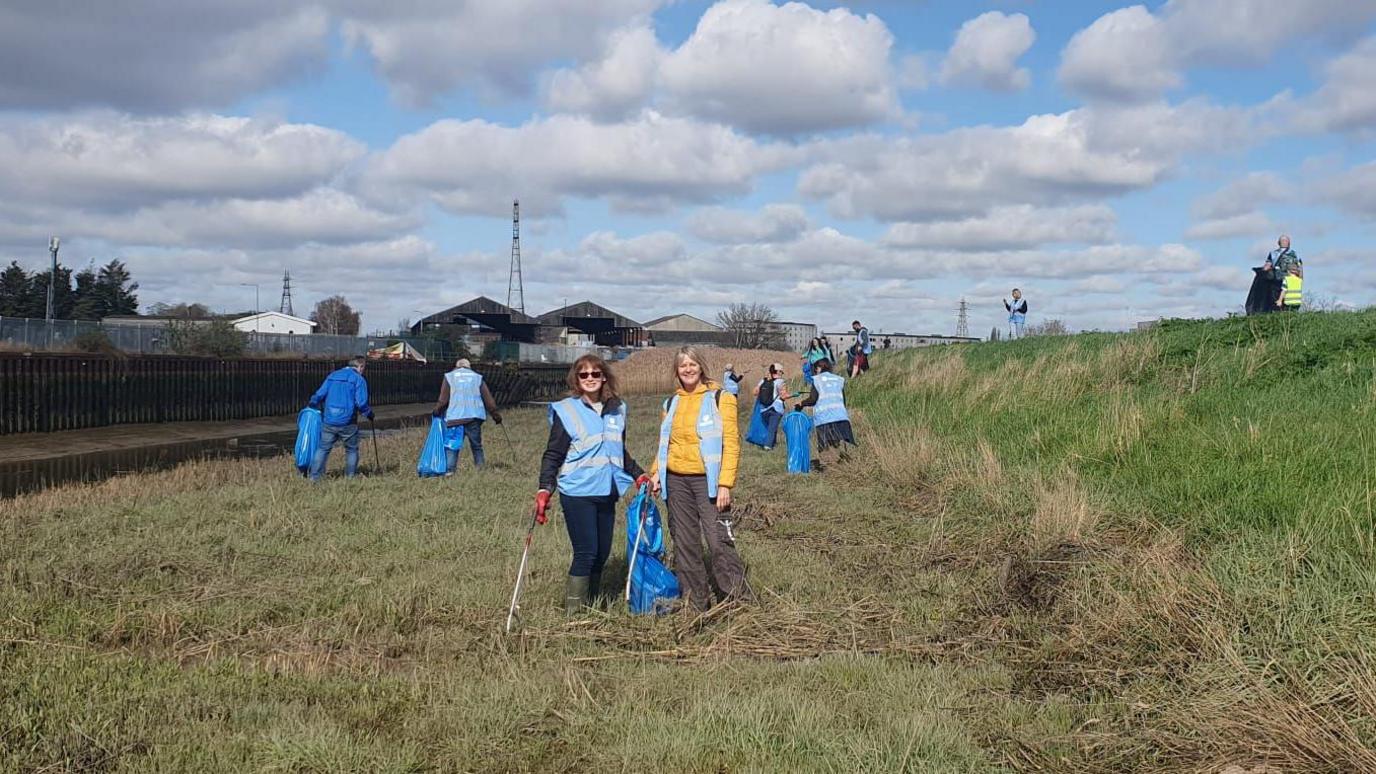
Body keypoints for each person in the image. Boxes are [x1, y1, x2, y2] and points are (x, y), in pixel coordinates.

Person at [536, 354, 648, 614]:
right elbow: (553, 454)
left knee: (602, 554)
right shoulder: (567, 410)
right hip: (578, 492)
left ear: (604, 377)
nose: (589, 379)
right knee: (586, 553)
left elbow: (619, 450)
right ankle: (574, 614)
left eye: (595, 374)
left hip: (607, 491)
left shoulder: (617, 409)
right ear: (576, 379)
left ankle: (594, 606)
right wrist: (545, 488)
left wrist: (639, 475)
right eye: (583, 374)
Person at [646, 346, 747, 611]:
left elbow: (731, 444)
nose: (688, 369)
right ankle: (695, 602)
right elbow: (665, 443)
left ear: (701, 366)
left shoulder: (720, 398)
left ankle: (737, 600)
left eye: (692, 364)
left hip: (709, 483)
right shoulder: (671, 403)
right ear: (676, 371)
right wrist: (656, 472)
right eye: (682, 366)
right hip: (676, 482)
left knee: (718, 542)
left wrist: (725, 483)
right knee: (685, 542)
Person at [307, 355, 373, 481]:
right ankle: (350, 477)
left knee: (323, 449)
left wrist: (312, 405)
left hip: (329, 420)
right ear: (360, 366)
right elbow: (361, 403)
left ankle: (314, 478)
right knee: (351, 450)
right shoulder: (358, 379)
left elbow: (319, 394)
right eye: (363, 368)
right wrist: (369, 414)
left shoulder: (332, 376)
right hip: (348, 422)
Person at [432, 358, 502, 473]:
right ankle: (481, 469)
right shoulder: (477, 377)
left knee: (452, 445)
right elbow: (488, 400)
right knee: (476, 446)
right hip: (474, 417)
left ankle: (450, 471)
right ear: (469, 367)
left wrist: (436, 410)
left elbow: (443, 400)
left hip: (455, 418)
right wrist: (496, 416)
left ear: (456, 366)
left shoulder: (449, 377)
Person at [795, 359, 856, 464]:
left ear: (819, 368)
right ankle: (837, 465)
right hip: (840, 416)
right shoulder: (839, 379)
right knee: (835, 443)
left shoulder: (817, 380)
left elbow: (813, 399)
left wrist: (801, 403)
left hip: (824, 418)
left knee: (824, 445)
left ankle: (827, 466)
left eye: (815, 369)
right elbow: (843, 400)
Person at [752, 363, 791, 450]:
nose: (781, 374)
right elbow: (783, 395)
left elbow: (754, 392)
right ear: (778, 371)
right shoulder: (781, 381)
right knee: (772, 428)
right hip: (776, 409)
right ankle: (768, 446)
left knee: (771, 427)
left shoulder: (763, 381)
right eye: (781, 372)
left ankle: (772, 443)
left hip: (763, 410)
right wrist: (791, 395)